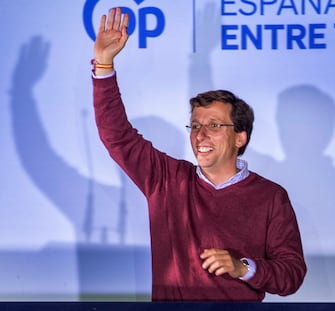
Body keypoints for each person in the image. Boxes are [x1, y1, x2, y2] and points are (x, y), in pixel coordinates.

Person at [92, 7, 306, 301]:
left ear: (239, 137)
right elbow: (117, 136)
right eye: (194, 126)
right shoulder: (166, 180)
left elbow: (292, 275)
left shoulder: (270, 196)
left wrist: (243, 267)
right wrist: (104, 65)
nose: (200, 135)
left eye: (214, 125)